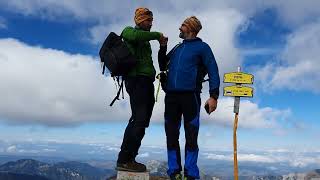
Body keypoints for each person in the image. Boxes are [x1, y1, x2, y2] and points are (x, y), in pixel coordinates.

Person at [158, 16, 220, 180]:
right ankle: (174, 172)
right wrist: (163, 47)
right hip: (171, 96)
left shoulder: (203, 48)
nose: (179, 27)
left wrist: (213, 96)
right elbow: (163, 64)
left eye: (183, 25)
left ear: (191, 29)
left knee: (191, 136)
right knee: (171, 135)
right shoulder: (177, 47)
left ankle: (191, 174)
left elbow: (213, 71)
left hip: (190, 96)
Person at [116, 7, 168, 172]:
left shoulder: (144, 40)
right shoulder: (130, 32)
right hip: (137, 81)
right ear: (139, 20)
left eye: (151, 21)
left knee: (141, 121)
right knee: (139, 120)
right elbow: (131, 35)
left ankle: (129, 158)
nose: (151, 24)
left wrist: (162, 46)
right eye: (148, 20)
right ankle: (125, 159)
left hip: (145, 82)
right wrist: (157, 35)